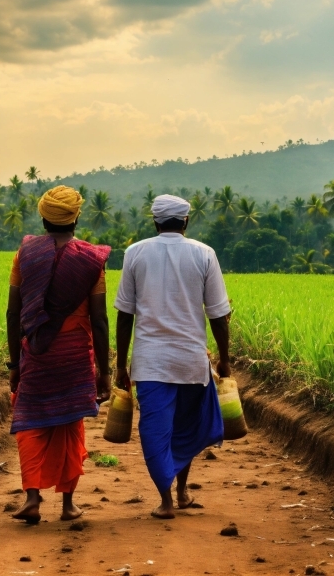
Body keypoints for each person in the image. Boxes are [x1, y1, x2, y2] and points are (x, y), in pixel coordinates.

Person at [114, 194, 231, 519]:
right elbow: (218, 315)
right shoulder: (204, 254)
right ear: (186, 222)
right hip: (191, 361)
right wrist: (225, 358)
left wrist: (120, 363)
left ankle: (168, 498)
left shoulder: (135, 253)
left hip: (150, 363)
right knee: (186, 428)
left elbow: (125, 314)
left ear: (155, 222)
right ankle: (179, 492)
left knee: (154, 431)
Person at [6, 185, 111, 524]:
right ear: (76, 216)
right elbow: (99, 318)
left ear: (43, 216)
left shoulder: (25, 254)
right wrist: (105, 370)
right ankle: (68, 504)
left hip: (36, 352)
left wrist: (15, 364)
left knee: (30, 422)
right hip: (76, 355)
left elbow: (13, 313)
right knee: (70, 424)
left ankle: (33, 497)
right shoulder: (91, 260)